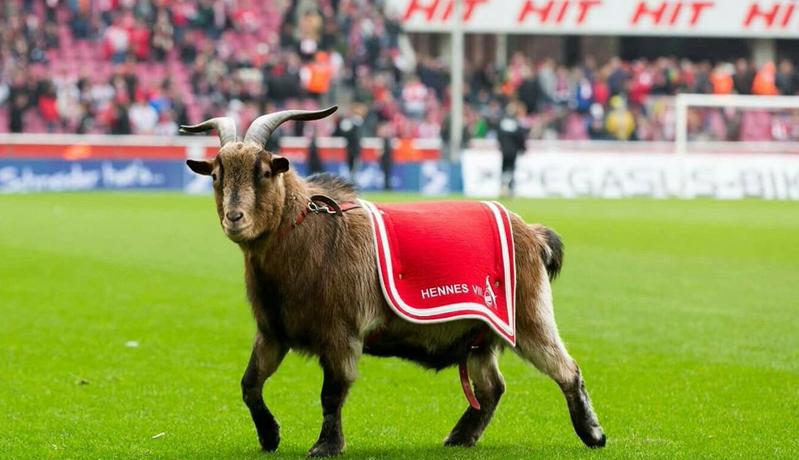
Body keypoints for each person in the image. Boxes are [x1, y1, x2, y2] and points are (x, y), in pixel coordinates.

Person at [497, 102, 527, 196]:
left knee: (504, 168)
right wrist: (523, 148)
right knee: (511, 169)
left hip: (504, 149)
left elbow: (499, 136)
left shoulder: (502, 122)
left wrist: (501, 145)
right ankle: (509, 188)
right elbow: (520, 137)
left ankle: (503, 187)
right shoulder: (516, 122)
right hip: (513, 150)